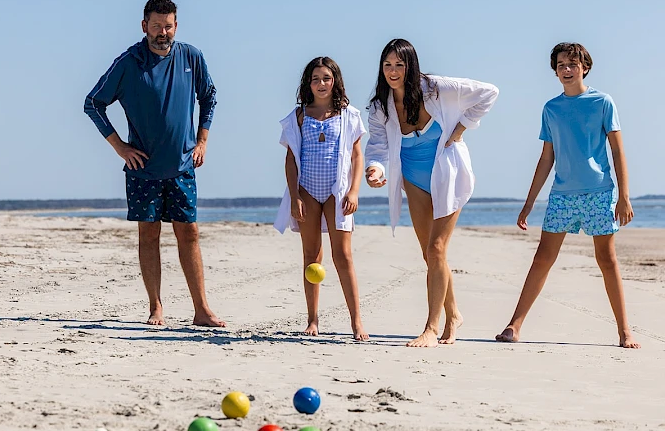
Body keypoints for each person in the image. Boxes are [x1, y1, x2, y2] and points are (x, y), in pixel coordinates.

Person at [83, 0, 225, 328]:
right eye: (157, 26)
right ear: (144, 26)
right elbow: (93, 103)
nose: (163, 32)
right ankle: (156, 306)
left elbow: (210, 97)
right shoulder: (129, 62)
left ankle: (202, 309)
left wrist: (202, 140)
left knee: (189, 233)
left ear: (176, 26)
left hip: (182, 166)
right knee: (148, 235)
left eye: (169, 26)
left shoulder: (192, 57)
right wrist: (120, 147)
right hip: (142, 168)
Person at [496, 43, 640, 348]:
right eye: (561, 65)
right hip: (562, 195)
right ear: (555, 70)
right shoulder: (551, 108)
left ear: (584, 67)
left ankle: (624, 331)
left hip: (599, 192)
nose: (567, 69)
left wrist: (624, 197)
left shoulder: (602, 102)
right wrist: (529, 202)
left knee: (607, 260)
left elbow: (617, 150)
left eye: (573, 64)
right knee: (542, 258)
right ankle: (514, 325)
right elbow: (546, 157)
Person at [364, 39, 498, 347]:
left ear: (412, 66)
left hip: (448, 176)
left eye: (400, 65)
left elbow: (489, 92)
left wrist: (462, 126)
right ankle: (453, 314)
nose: (393, 71)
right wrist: (375, 170)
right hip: (412, 178)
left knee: (437, 249)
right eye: (387, 65)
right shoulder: (379, 106)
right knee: (430, 254)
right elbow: (378, 147)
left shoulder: (436, 88)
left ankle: (431, 328)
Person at [274, 57, 369, 341]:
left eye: (326, 78)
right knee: (311, 256)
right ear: (308, 83)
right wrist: (294, 197)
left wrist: (354, 190)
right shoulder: (300, 115)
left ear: (335, 81)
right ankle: (312, 320)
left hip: (337, 190)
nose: (321, 83)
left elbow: (356, 155)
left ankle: (356, 321)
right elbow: (291, 158)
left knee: (344, 256)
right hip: (307, 190)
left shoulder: (349, 115)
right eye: (315, 79)